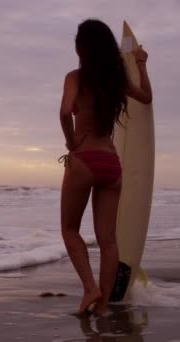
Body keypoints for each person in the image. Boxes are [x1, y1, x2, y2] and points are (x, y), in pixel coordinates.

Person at [59, 18, 152, 315]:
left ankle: (90, 289)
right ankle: (102, 307)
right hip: (111, 163)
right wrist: (141, 64)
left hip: (84, 159)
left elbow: (64, 111)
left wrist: (71, 141)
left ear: (80, 48)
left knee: (70, 229)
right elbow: (147, 98)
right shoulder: (117, 81)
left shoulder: (75, 77)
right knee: (108, 239)